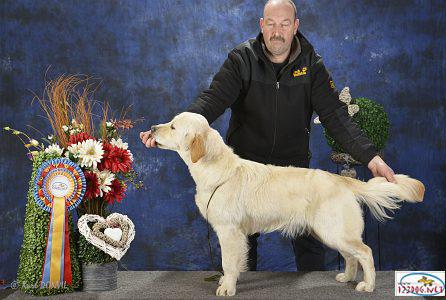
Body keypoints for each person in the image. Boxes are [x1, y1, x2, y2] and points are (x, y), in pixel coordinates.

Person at [140, 0, 396, 271]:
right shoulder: (241, 59)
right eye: (271, 23)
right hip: (243, 171)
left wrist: (371, 157)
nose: (277, 31)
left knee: (312, 242)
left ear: (295, 27)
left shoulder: (312, 65)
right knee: (240, 244)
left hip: (293, 170)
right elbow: (212, 100)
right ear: (261, 25)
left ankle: (317, 290)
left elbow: (335, 115)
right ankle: (241, 286)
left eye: (285, 24)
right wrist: (178, 131)